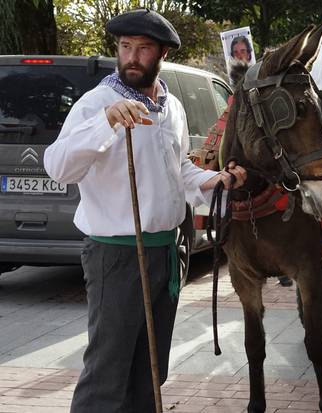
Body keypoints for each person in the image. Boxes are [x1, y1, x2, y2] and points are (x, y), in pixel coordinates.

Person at [43, 9, 247, 412]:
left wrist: (215, 180)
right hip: (116, 253)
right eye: (125, 47)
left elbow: (177, 171)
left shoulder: (170, 106)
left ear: (162, 54)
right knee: (108, 370)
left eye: (143, 48)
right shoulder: (97, 102)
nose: (132, 57)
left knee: (150, 369)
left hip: (166, 252)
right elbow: (57, 166)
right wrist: (106, 123)